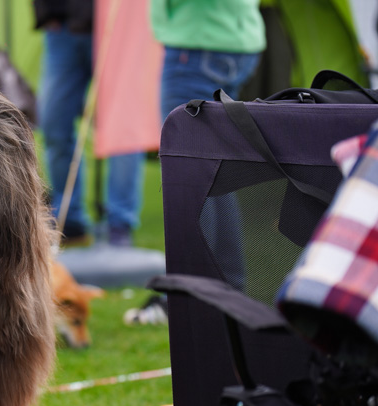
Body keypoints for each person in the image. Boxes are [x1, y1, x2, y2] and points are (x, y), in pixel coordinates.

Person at [123, 0, 265, 325]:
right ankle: (226, 288)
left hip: (200, 43)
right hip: (232, 37)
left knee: (188, 173)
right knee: (214, 170)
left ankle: (190, 295)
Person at [33, 0, 146, 247]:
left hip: (117, 26)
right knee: (54, 123)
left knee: (123, 127)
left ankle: (120, 224)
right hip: (61, 28)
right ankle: (69, 221)